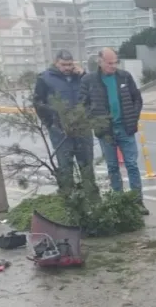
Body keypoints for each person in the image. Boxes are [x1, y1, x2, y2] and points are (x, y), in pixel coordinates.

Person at [79, 47, 147, 214]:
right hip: (106, 131)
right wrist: (95, 120)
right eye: (109, 63)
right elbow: (83, 104)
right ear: (100, 62)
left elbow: (137, 98)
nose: (113, 66)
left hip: (125, 129)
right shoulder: (89, 80)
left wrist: (133, 117)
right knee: (112, 167)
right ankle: (118, 201)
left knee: (131, 164)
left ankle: (137, 201)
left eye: (115, 62)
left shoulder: (125, 77)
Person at [33, 50, 97, 195]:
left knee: (86, 165)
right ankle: (69, 197)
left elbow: (94, 94)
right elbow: (38, 103)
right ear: (56, 63)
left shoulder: (80, 77)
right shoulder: (45, 78)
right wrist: (51, 123)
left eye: (70, 64)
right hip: (60, 131)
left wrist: (84, 75)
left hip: (82, 129)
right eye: (63, 65)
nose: (67, 68)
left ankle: (91, 197)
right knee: (65, 166)